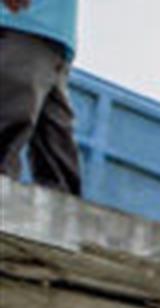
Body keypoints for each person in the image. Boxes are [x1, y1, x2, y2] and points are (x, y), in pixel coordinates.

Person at [0, 0, 81, 195]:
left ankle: (62, 214)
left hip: (50, 36)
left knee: (57, 156)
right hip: (23, 25)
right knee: (8, 126)